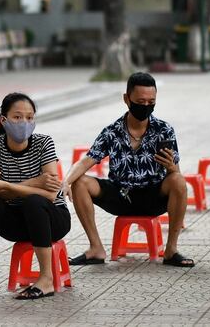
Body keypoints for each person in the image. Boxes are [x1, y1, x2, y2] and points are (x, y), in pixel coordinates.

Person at [63, 72, 194, 267]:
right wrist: (67, 181)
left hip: (153, 195)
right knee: (80, 182)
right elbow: (87, 160)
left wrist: (173, 168)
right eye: (141, 101)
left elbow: (175, 175)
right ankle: (96, 249)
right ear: (127, 99)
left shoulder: (164, 130)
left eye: (151, 102)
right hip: (120, 195)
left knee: (178, 181)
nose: (146, 106)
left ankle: (171, 250)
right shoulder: (112, 131)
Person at [0, 92, 69, 300]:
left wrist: (6, 187)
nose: (24, 122)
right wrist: (35, 182)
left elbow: (51, 195)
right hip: (16, 222)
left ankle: (46, 279)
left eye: (29, 117)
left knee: (35, 202)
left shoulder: (44, 143)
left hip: (53, 220)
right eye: (17, 117)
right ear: (3, 120)